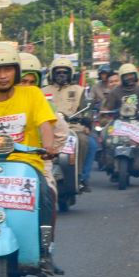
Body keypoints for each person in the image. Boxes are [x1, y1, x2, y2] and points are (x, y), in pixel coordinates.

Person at [0, 42, 62, 271]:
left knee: (48, 195)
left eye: (7, 69)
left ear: (16, 71)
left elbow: (45, 124)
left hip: (26, 165)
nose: (2, 76)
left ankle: (45, 249)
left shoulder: (32, 94)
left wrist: (48, 146)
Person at [102, 62, 139, 184]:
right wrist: (106, 112)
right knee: (106, 138)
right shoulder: (115, 92)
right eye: (126, 76)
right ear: (122, 78)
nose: (129, 78)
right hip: (118, 122)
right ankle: (110, 168)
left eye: (131, 75)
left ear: (136, 76)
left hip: (137, 122)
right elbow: (108, 108)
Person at [45, 57, 92, 191]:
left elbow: (85, 110)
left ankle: (79, 176)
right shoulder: (42, 91)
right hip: (49, 128)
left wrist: (85, 119)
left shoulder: (79, 90)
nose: (61, 75)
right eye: (58, 72)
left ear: (71, 74)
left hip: (72, 128)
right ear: (52, 74)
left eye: (65, 72)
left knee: (83, 140)